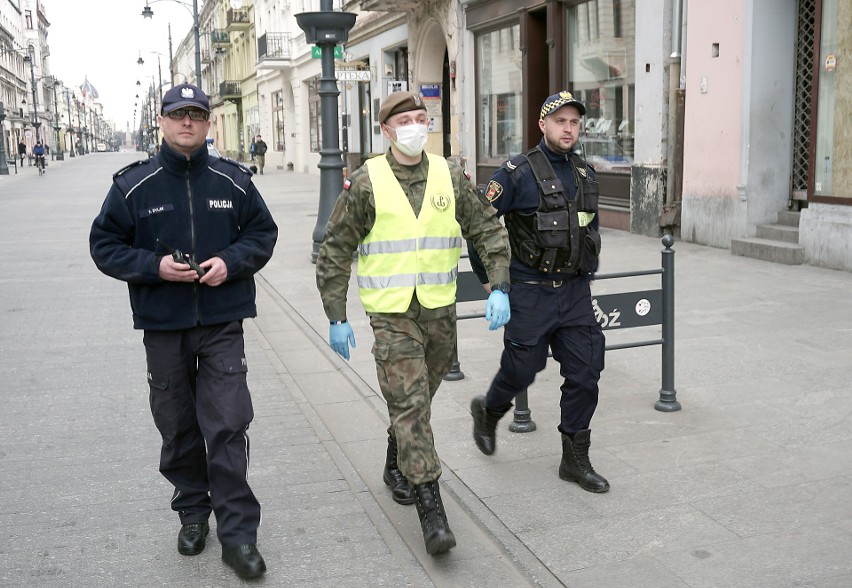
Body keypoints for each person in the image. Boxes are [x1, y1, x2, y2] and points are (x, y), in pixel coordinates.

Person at [89, 83, 278, 580]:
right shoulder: (134, 185)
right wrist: (153, 267)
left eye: (196, 115)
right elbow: (104, 245)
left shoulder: (234, 181)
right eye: (178, 115)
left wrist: (231, 263)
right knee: (176, 424)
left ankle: (238, 536)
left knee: (228, 425)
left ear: (209, 123)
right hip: (164, 325)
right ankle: (193, 512)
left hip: (222, 321)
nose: (187, 123)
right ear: (162, 122)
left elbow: (263, 234)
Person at [315, 91, 512, 555]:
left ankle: (395, 459)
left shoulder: (448, 174)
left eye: (421, 118)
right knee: (411, 403)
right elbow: (336, 249)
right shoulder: (367, 181)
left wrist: (499, 284)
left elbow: (485, 226)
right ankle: (432, 510)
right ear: (386, 130)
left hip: (439, 312)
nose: (415, 126)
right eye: (404, 120)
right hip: (391, 314)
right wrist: (336, 315)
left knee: (417, 401)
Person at [470, 91, 609, 494]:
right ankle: (490, 410)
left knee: (586, 372)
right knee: (521, 369)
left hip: (574, 292)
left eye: (575, 122)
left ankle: (575, 459)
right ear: (543, 125)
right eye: (560, 121)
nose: (569, 129)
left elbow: (588, 227)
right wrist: (492, 283)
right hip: (529, 292)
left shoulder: (585, 173)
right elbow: (479, 225)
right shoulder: (515, 173)